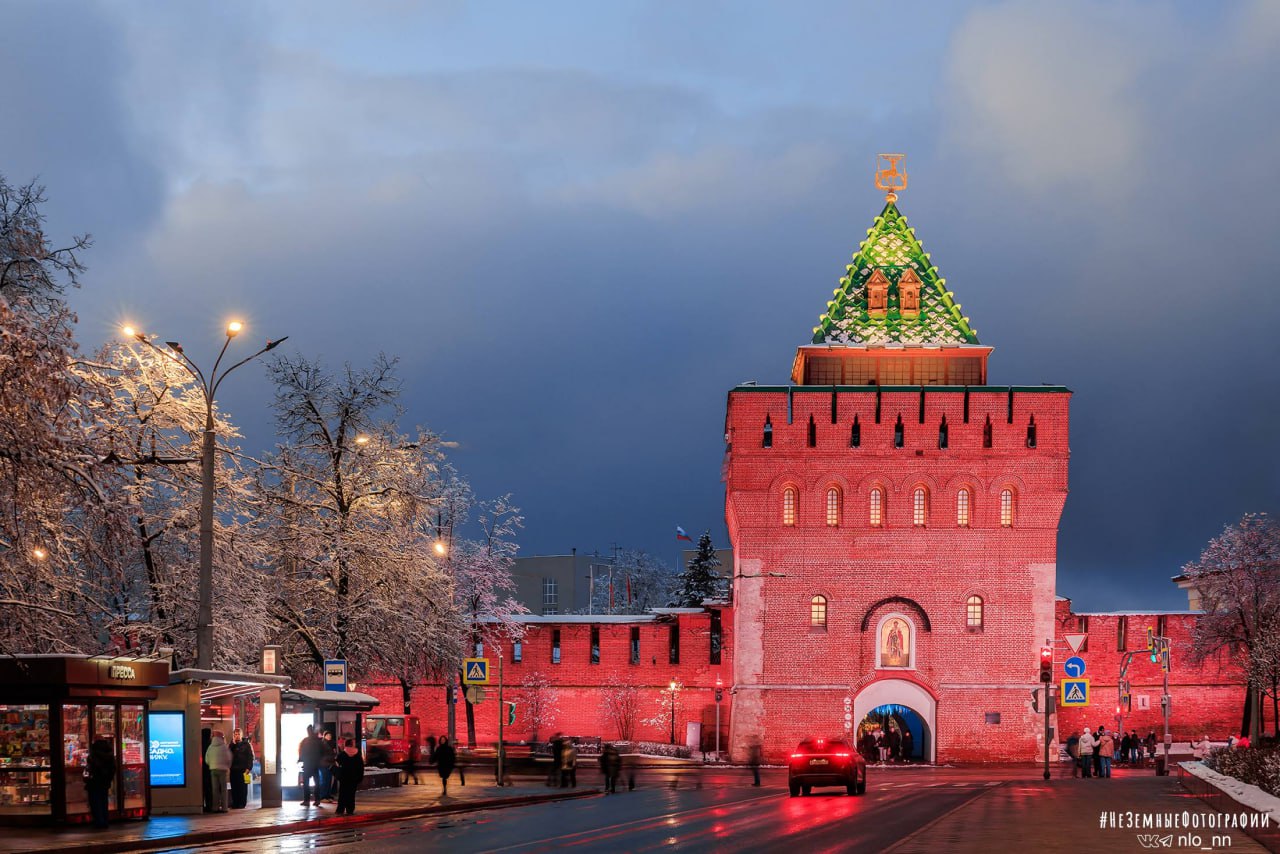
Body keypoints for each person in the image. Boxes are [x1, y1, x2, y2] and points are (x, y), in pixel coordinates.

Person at [85, 736, 116, 829]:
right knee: (103, 801)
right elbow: (113, 768)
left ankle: (99, 821)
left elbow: (91, 767)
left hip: (94, 781)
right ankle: (104, 821)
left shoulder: (94, 754)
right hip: (105, 781)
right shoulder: (110, 754)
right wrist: (108, 778)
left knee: (95, 801)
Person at [334, 738, 365, 816]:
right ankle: (350, 809)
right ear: (352, 744)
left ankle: (340, 809)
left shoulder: (342, 754)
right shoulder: (357, 755)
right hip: (354, 777)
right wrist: (360, 777)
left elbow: (336, 764)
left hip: (344, 777)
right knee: (351, 794)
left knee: (342, 793)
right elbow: (361, 767)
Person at [205, 730, 232, 812]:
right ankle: (224, 808)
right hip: (223, 770)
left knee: (215, 789)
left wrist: (211, 765)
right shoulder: (224, 747)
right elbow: (229, 758)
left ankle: (215, 807)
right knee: (223, 789)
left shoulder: (210, 747)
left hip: (213, 770)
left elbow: (206, 759)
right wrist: (227, 766)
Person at [298, 724, 324, 807]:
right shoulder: (318, 741)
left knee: (306, 783)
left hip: (308, 764)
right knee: (317, 783)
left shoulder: (305, 741)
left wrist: (300, 759)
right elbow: (322, 752)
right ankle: (317, 799)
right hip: (315, 764)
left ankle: (307, 800)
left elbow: (301, 751)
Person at [229, 728, 255, 809]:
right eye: (235, 734)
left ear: (241, 735)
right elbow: (228, 755)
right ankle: (235, 803)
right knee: (234, 787)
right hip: (233, 770)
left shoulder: (246, 745)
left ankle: (242, 803)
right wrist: (232, 745)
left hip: (243, 770)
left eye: (238, 734)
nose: (237, 736)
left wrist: (248, 768)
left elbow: (250, 757)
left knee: (243, 787)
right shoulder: (231, 745)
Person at [319, 731, 338, 803]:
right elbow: (323, 755)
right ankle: (323, 796)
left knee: (329, 780)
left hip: (330, 764)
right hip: (324, 764)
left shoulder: (332, 743)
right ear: (324, 736)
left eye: (330, 735)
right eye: (328, 735)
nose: (329, 736)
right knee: (324, 780)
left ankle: (327, 795)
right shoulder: (322, 744)